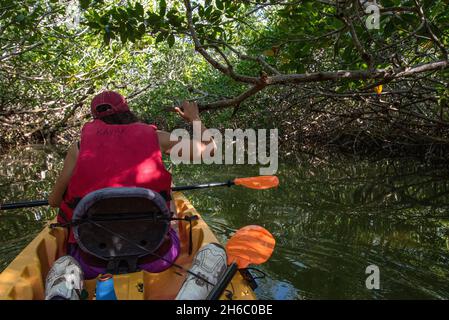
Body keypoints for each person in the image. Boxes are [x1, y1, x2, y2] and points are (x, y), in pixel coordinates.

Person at [46, 91, 217, 288]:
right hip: (157, 258)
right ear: (127, 110)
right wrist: (194, 118)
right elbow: (209, 149)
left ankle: (66, 283)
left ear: (95, 117)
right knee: (167, 193)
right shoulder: (156, 138)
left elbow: (54, 201)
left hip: (91, 262)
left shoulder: (79, 147)